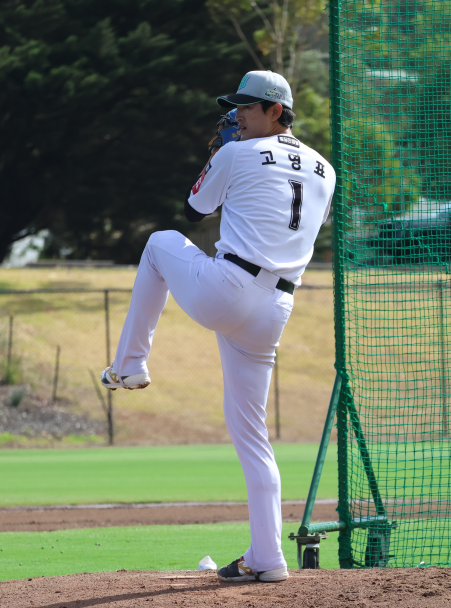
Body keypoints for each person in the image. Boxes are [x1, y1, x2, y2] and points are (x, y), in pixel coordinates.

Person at [99, 70, 336, 583]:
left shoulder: (237, 152)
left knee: (160, 242)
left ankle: (131, 364)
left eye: (247, 107)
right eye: (237, 106)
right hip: (276, 308)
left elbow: (193, 211)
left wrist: (220, 156)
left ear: (276, 111)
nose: (237, 115)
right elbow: (304, 220)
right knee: (252, 435)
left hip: (228, 286)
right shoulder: (326, 169)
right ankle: (268, 558)